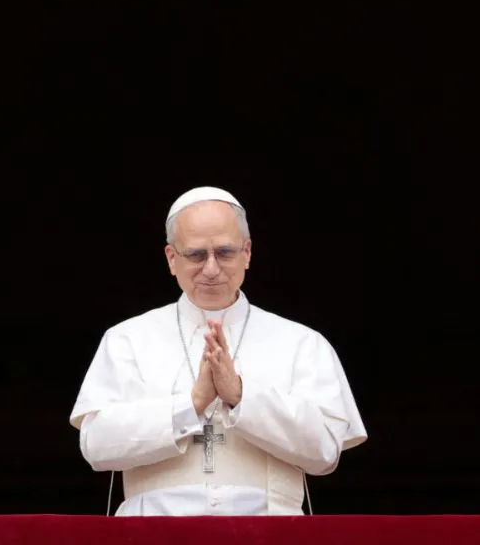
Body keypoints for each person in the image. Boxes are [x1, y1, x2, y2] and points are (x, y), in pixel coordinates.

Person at [69, 186, 367, 516]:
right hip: (153, 533)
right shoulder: (126, 340)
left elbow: (325, 452)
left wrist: (241, 396)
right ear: (171, 258)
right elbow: (96, 446)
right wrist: (191, 404)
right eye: (196, 255)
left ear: (247, 252)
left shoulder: (302, 343)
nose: (211, 269)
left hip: (269, 535)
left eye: (224, 253)